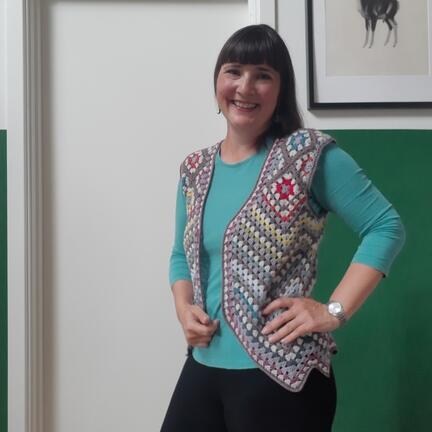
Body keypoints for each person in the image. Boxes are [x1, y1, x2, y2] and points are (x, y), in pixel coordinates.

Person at [161, 24, 405, 432]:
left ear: (281, 90)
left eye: (263, 75)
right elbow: (179, 255)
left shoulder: (307, 155)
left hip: (282, 374)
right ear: (218, 81)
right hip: (202, 367)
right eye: (234, 71)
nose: (245, 87)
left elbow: (385, 226)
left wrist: (333, 311)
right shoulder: (195, 169)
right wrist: (183, 307)